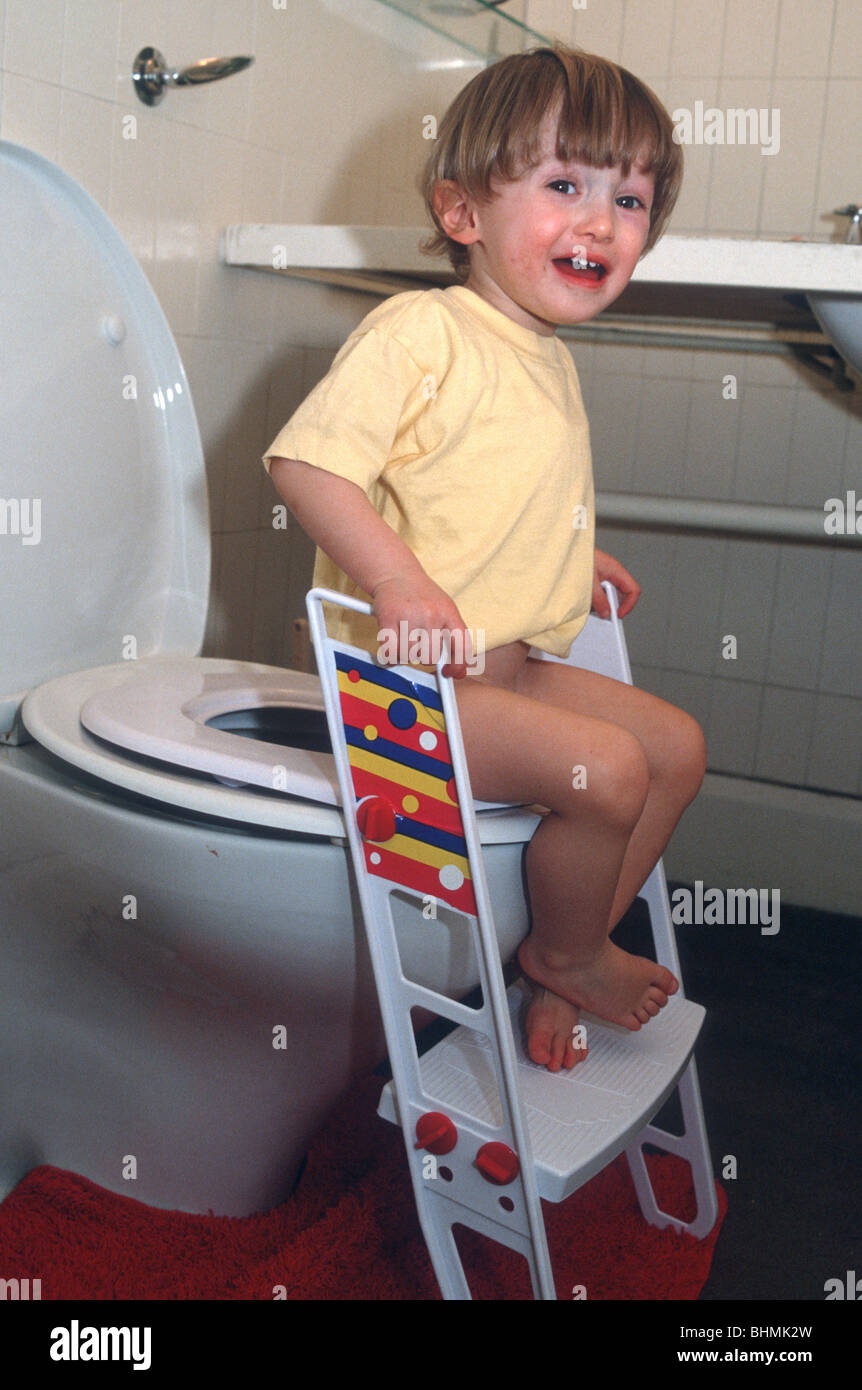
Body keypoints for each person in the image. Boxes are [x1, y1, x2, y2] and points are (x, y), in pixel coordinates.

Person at [263, 44, 706, 1073]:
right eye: (565, 185)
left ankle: (555, 959)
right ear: (462, 213)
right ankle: (571, 950)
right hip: (397, 682)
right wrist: (398, 581)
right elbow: (306, 464)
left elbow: (473, 481)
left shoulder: (542, 354)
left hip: (496, 666)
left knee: (674, 747)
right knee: (609, 770)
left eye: (630, 200)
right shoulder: (420, 329)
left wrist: (568, 545)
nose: (601, 222)